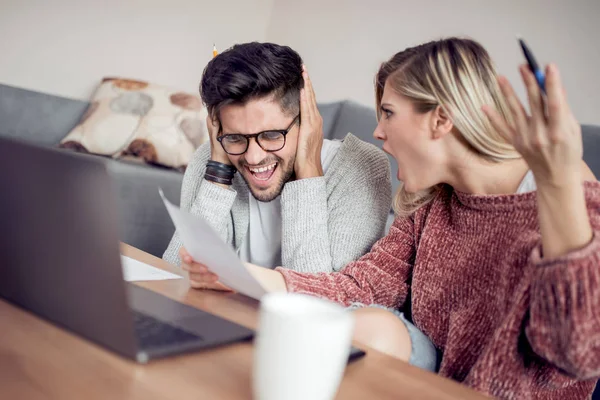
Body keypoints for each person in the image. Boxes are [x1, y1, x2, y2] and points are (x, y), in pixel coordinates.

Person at [182, 37, 600, 399]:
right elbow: (360, 286)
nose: (378, 132)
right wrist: (236, 273)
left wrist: (559, 182)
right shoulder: (431, 203)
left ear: (440, 118)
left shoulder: (562, 192)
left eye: (389, 113)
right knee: (368, 325)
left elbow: (578, 352)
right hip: (423, 385)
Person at [162, 42, 392, 273]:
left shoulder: (361, 168)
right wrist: (217, 175)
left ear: (307, 122)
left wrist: (308, 173)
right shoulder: (214, 158)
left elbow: (318, 303)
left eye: (272, 135)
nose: (253, 157)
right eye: (235, 137)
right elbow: (175, 275)